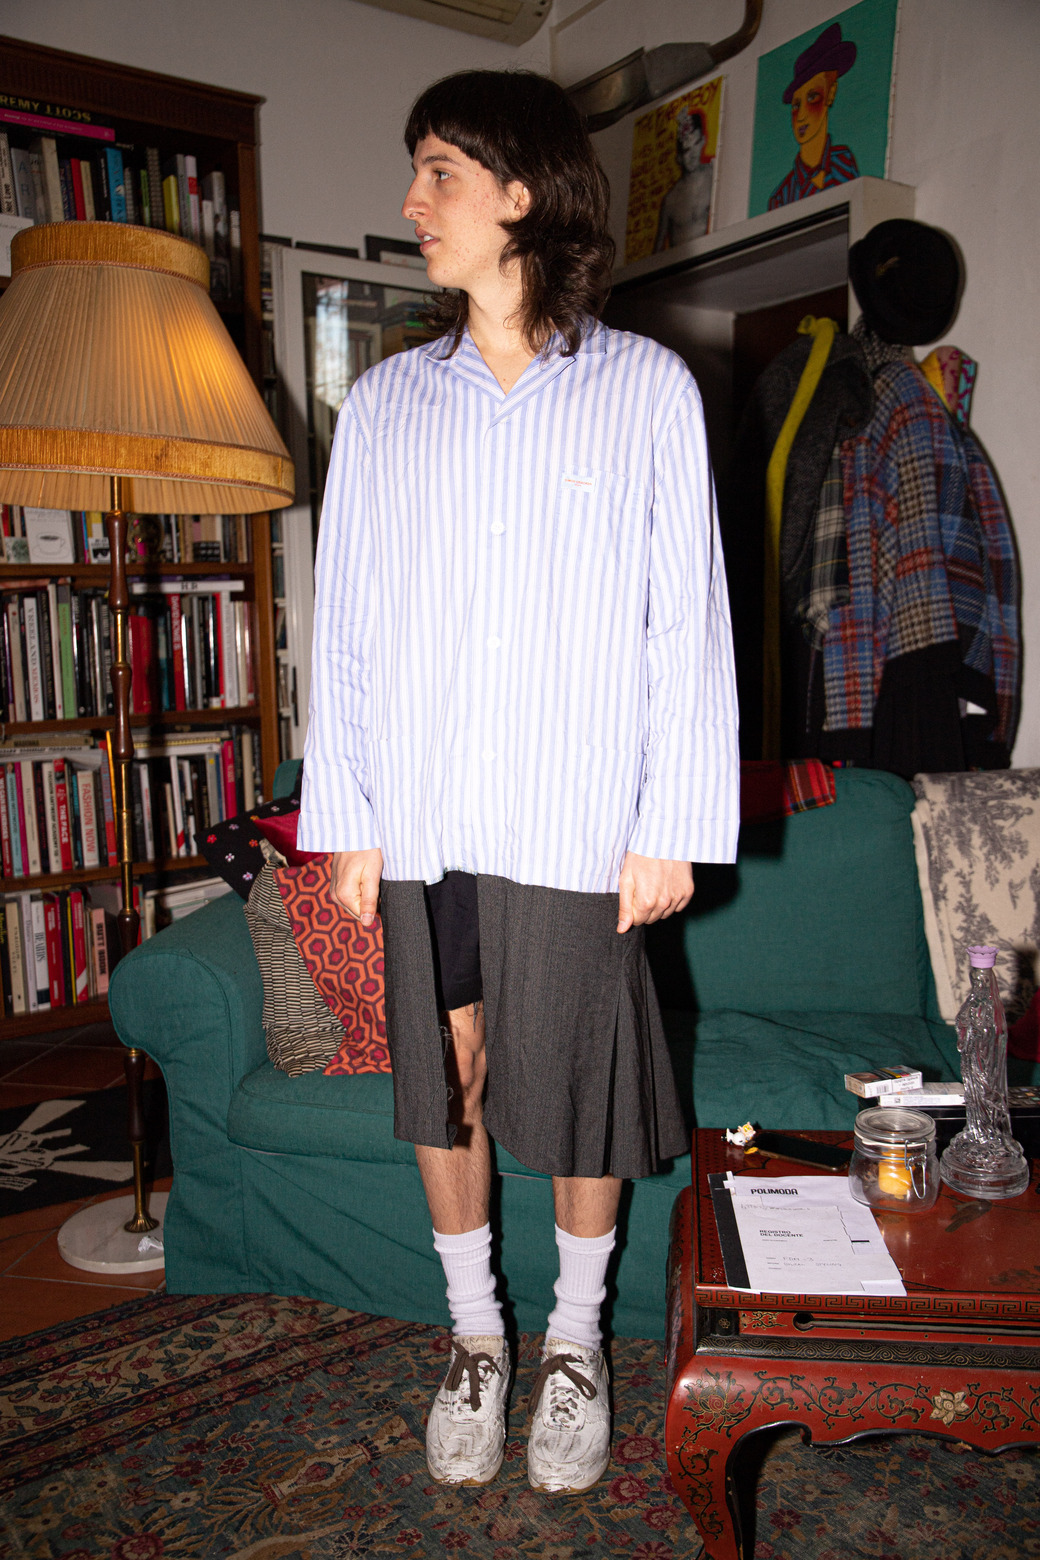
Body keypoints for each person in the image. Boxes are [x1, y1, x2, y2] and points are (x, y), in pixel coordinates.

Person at [299, 68, 739, 1497]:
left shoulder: (646, 390)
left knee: (581, 1084)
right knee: (452, 1076)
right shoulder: (384, 406)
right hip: (427, 810)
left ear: (522, 191)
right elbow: (346, 625)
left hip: (578, 813)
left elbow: (687, 624)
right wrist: (346, 820)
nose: (410, 201)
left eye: (437, 171)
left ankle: (573, 1343)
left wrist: (672, 823)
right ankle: (476, 1337)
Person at [768, 21, 859, 210]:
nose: (801, 116)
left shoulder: (844, 161)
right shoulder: (782, 197)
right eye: (796, 105)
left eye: (812, 97)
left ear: (830, 94)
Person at [653, 107, 714, 251]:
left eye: (696, 144)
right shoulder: (670, 200)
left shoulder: (713, 175)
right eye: (687, 150)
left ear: (703, 141)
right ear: (679, 157)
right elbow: (657, 250)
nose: (693, 154)